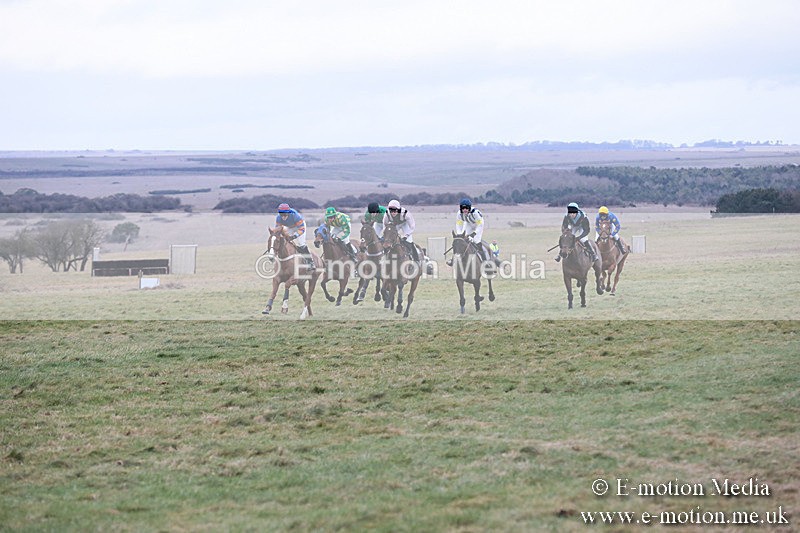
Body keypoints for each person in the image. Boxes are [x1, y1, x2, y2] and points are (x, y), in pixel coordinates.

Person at [448, 198, 491, 265]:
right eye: (463, 208)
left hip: (478, 225)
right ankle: (453, 259)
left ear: (469, 207)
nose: (464, 210)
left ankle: (485, 262)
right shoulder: (459, 214)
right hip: (468, 224)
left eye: (466, 208)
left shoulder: (475, 213)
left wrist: (474, 234)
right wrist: (459, 235)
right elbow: (459, 224)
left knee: (476, 241)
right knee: (461, 241)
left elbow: (480, 225)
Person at [274, 203, 315, 270]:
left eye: (285, 214)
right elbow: (277, 230)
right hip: (289, 227)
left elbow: (302, 229)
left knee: (301, 244)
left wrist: (295, 236)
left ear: (289, 212)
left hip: (299, 227)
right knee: (282, 240)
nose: (283, 216)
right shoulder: (278, 218)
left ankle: (310, 262)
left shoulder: (296, 216)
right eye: (281, 214)